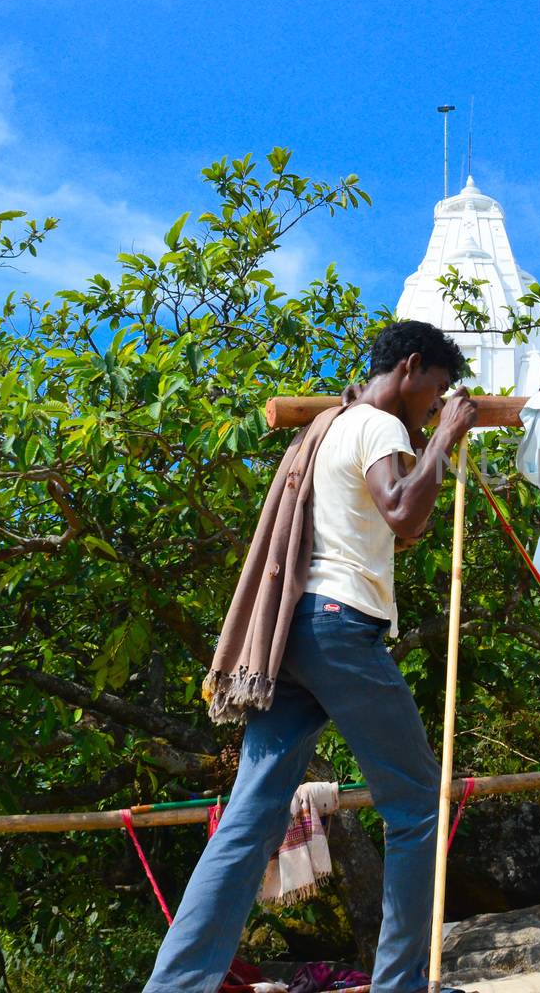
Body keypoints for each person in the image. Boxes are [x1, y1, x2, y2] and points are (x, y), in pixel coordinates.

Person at [144, 321, 478, 993]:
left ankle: (176, 986)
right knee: (417, 803)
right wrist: (445, 439)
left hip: (291, 631)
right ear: (410, 368)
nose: (435, 405)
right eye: (436, 391)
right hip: (338, 625)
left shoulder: (330, 427)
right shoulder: (379, 424)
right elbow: (404, 517)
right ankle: (401, 985)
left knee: (250, 815)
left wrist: (430, 439)